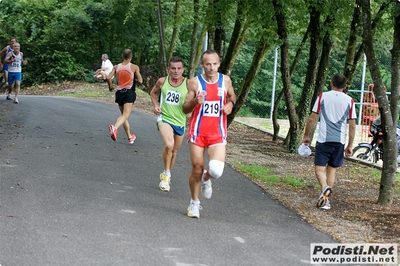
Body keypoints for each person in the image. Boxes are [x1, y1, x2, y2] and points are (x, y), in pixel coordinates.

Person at [182, 49, 237, 218]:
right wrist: (194, 101)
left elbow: (232, 96)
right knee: (197, 168)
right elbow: (185, 109)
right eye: (208, 64)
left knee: (216, 170)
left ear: (219, 64)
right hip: (197, 132)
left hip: (217, 133)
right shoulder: (194, 83)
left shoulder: (225, 80)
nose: (211, 67)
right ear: (202, 65)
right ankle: (194, 203)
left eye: (214, 64)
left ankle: (207, 179)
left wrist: (230, 104)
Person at [301, 74, 356, 210]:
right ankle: (326, 200)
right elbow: (352, 125)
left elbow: (312, 119)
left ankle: (325, 188)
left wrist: (306, 136)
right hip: (339, 142)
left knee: (319, 169)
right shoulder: (350, 101)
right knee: (332, 170)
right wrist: (349, 145)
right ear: (345, 86)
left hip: (323, 140)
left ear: (331, 83)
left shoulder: (322, 97)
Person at [150, 56, 188, 192]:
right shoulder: (162, 81)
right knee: (169, 145)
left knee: (174, 151)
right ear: (169, 69)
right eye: (173, 68)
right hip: (164, 118)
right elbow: (153, 93)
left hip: (180, 121)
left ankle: (167, 174)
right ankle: (166, 174)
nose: (176, 71)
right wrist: (155, 105)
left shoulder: (189, 84)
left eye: (179, 68)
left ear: (183, 69)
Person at [107, 49, 143, 144]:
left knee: (124, 116)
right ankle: (114, 127)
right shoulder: (134, 67)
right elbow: (140, 81)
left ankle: (130, 137)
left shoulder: (116, 67)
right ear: (131, 57)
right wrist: (135, 77)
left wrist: (111, 87)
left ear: (123, 56)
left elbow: (108, 77)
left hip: (119, 93)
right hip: (129, 92)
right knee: (125, 115)